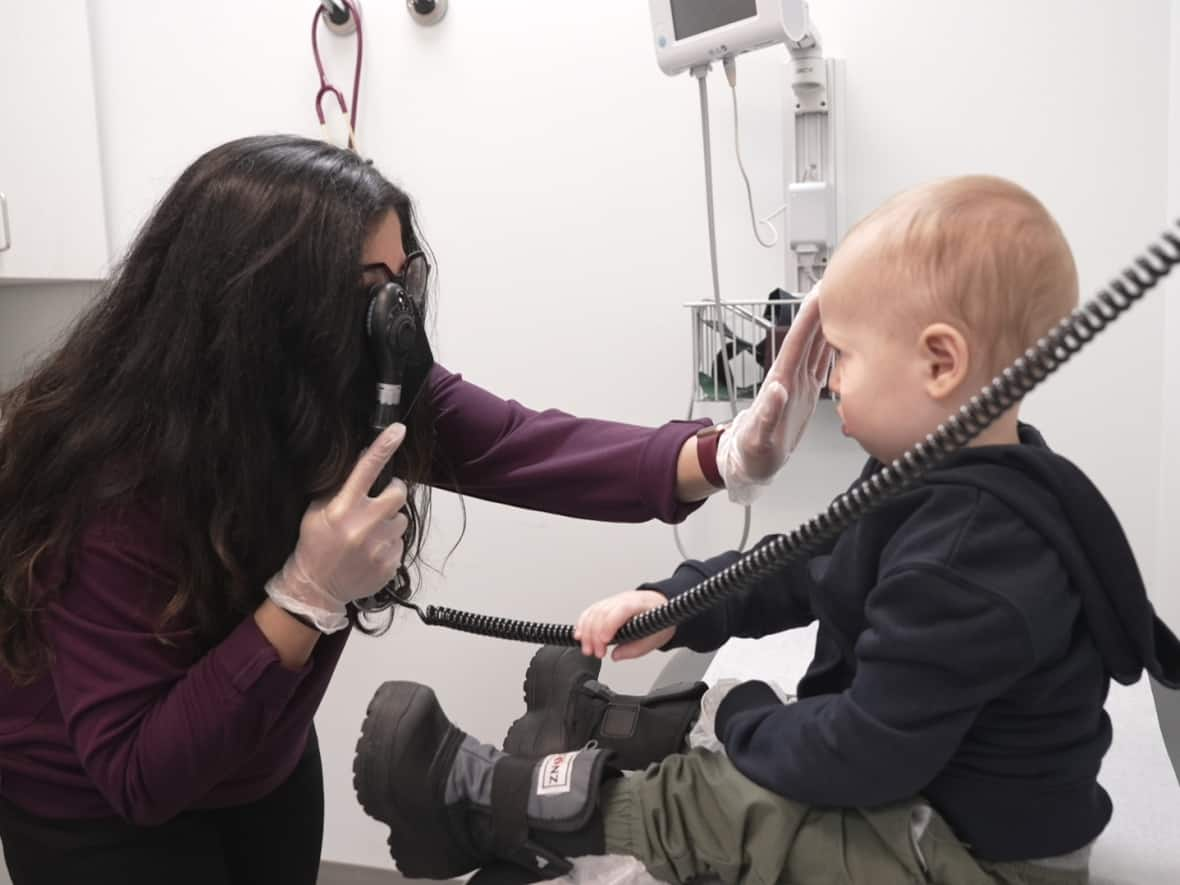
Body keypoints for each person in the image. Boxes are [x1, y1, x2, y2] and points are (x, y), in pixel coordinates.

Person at [0, 135, 833, 885]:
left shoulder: (360, 390)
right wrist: (300, 601)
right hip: (97, 812)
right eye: (373, 293)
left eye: (408, 283)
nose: (398, 318)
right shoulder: (119, 478)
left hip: (258, 758)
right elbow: (139, 774)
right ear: (263, 311)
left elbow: (525, 445)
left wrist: (724, 454)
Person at [352, 175, 1180, 884]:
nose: (830, 385)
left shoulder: (975, 554)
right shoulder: (938, 480)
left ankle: (497, 802)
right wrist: (676, 602)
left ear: (939, 363)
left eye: (844, 357)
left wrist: (747, 713)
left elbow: (866, 753)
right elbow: (809, 561)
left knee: (730, 800)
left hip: (979, 855)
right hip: (929, 780)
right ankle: (624, 730)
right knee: (768, 723)